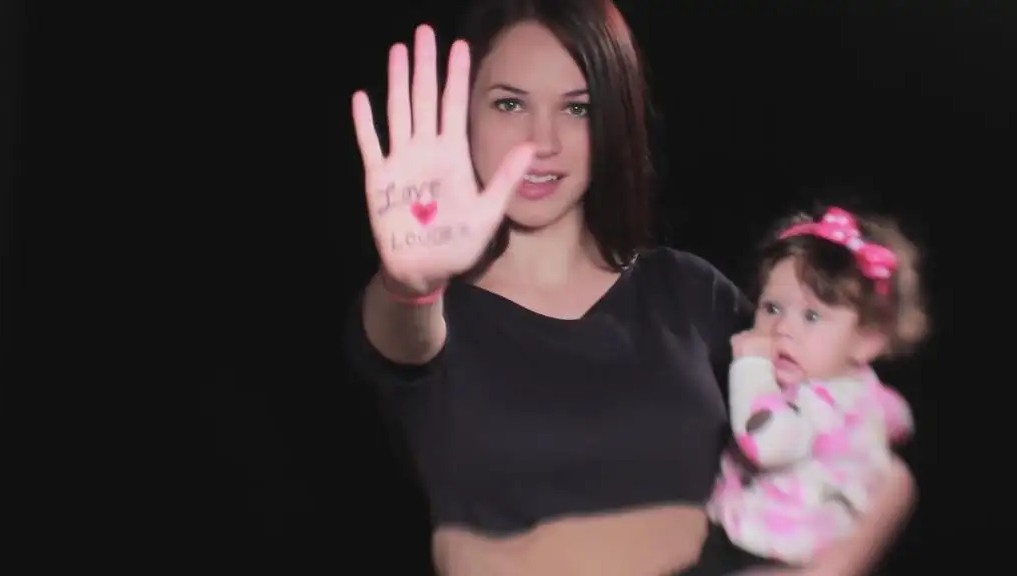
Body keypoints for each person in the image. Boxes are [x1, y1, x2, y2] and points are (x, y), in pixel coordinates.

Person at [345, 0, 916, 573]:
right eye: (510, 103)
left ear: (612, 121)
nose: (542, 141)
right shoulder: (430, 312)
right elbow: (403, 331)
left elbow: (877, 470)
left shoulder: (689, 293)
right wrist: (412, 284)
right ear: (466, 113)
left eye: (577, 108)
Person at [706, 207, 927, 571]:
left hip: (770, 549)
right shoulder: (861, 395)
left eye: (811, 316)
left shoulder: (822, 404)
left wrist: (750, 367)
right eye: (772, 308)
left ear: (867, 341)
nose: (782, 328)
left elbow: (767, 445)